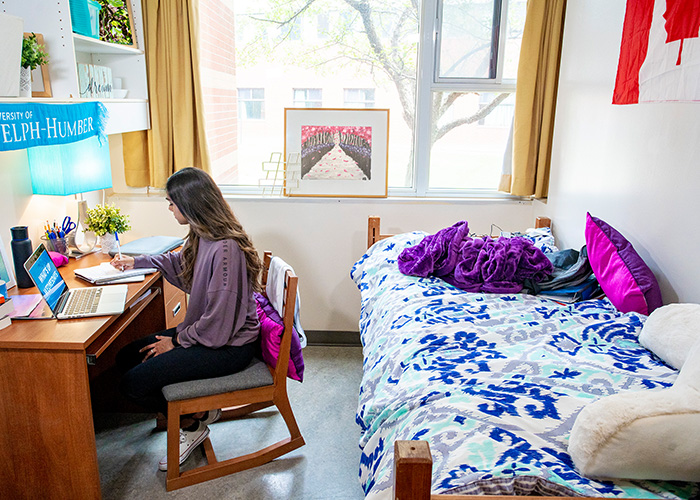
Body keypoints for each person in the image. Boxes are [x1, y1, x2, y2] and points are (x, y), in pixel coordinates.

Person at [111, 167, 262, 471]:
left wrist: (177, 341)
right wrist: (136, 261)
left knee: (132, 384)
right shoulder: (203, 234)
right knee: (127, 357)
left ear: (190, 203)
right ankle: (200, 413)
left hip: (228, 346)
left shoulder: (225, 249)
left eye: (171, 202)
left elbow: (219, 326)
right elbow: (180, 262)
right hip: (208, 333)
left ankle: (192, 423)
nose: (169, 208)